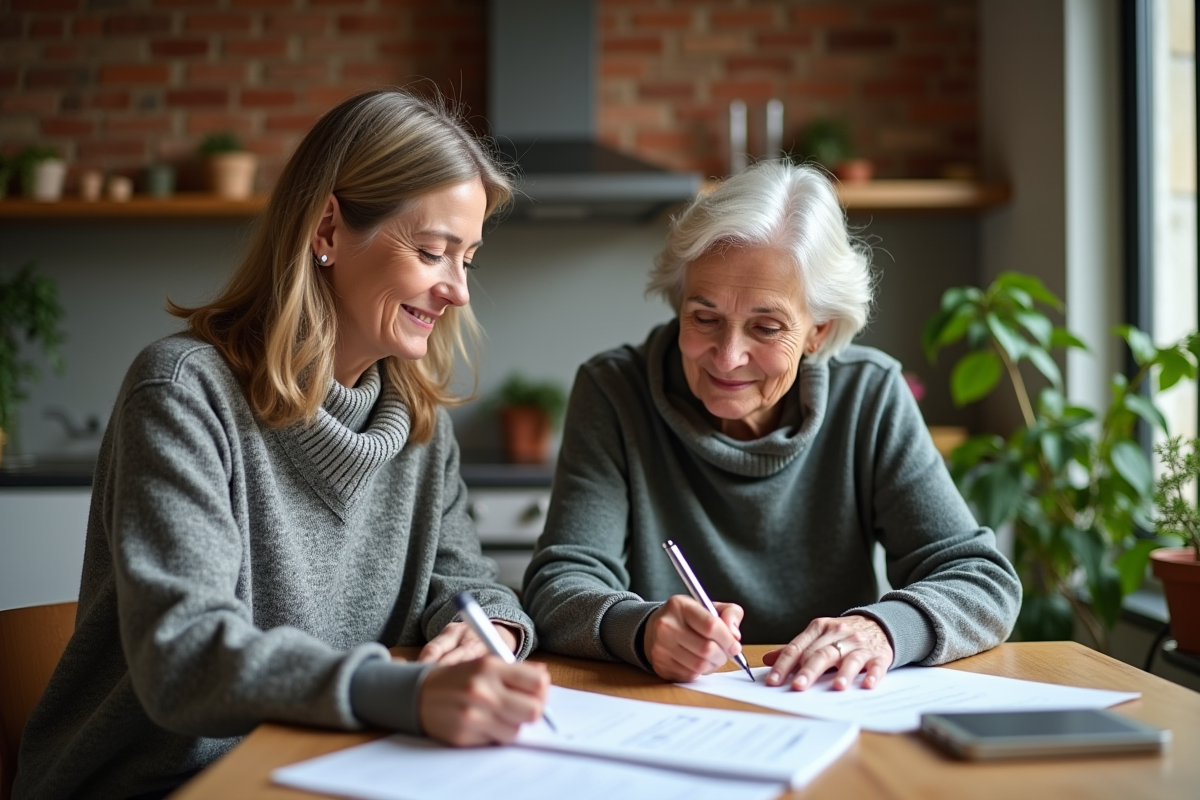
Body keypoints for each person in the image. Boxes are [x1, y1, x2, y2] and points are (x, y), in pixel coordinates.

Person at [15, 89, 549, 800]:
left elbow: (467, 584)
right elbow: (185, 658)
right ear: (328, 228)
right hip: (159, 783)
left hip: (323, 769)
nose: (458, 291)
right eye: (432, 252)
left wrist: (491, 633)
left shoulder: (419, 425)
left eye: (468, 260)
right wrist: (402, 692)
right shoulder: (182, 393)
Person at [523, 160, 1021, 692]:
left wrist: (881, 629)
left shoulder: (869, 394)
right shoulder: (614, 390)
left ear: (817, 330)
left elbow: (983, 579)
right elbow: (559, 584)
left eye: (766, 326)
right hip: (674, 705)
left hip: (829, 705)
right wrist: (641, 629)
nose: (728, 356)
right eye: (704, 317)